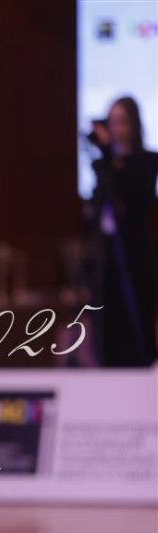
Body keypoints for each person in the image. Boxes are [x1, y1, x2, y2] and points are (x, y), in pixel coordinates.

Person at [88, 96, 158, 366]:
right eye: (112, 122)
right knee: (107, 317)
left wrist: (109, 155)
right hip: (107, 256)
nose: (116, 129)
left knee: (136, 316)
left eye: (122, 122)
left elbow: (134, 197)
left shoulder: (147, 161)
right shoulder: (102, 166)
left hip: (135, 254)